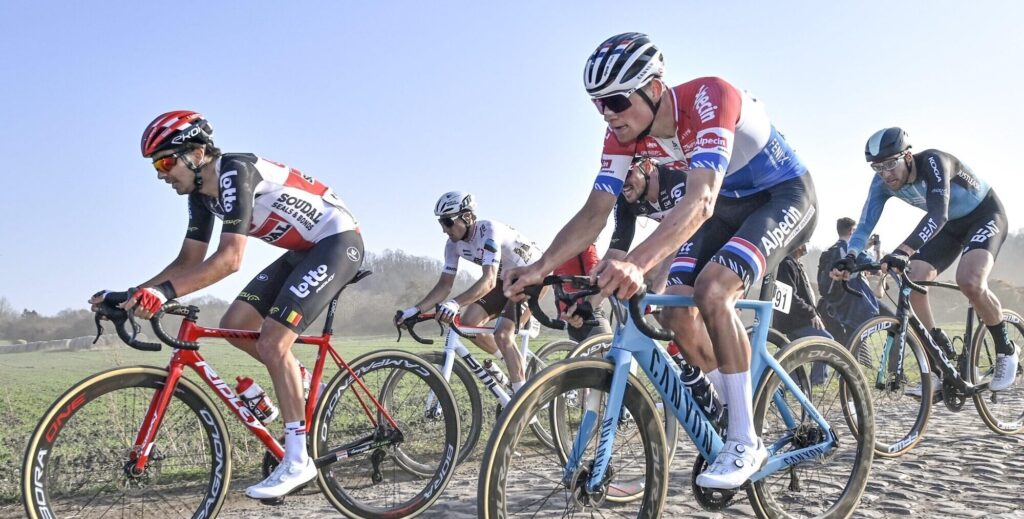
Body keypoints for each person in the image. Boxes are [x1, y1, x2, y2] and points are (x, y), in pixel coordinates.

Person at [505, 33, 817, 489]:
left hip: (782, 194)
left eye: (615, 101)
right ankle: (732, 404)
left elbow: (702, 198)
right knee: (673, 309)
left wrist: (637, 262)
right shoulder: (622, 136)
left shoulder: (710, 97)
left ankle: (746, 441)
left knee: (714, 290)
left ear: (653, 89)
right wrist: (538, 268)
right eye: (598, 105)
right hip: (729, 203)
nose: (608, 115)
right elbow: (595, 212)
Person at [94, 110, 365, 499]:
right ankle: (299, 380)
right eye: (155, 166)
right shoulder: (202, 197)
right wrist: (131, 294)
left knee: (272, 342)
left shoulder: (233, 171)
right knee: (236, 323)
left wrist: (165, 294)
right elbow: (187, 263)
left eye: (165, 161)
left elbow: (230, 260)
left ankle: (297, 461)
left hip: (338, 243)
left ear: (197, 152)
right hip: (302, 252)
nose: (161, 173)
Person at [831, 127, 1017, 391]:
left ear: (907, 156)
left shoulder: (933, 162)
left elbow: (937, 214)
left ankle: (1006, 349)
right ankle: (940, 354)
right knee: (914, 279)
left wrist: (903, 250)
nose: (885, 173)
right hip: (950, 227)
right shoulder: (882, 184)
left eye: (890, 164)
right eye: (877, 167)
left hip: (983, 215)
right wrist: (848, 257)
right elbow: (864, 226)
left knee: (970, 280)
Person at [395, 191, 544, 394]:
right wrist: (415, 309)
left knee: (503, 334)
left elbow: (488, 280)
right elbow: (444, 285)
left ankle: (523, 403)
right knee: (468, 324)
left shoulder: (488, 231)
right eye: (441, 223)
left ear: (466, 216)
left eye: (447, 222)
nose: (444, 229)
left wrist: (455, 304)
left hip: (533, 276)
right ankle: (514, 364)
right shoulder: (452, 246)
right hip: (505, 279)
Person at [608, 156, 688, 293]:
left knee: (668, 287)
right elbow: (616, 252)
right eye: (616, 176)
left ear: (647, 167)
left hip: (716, 229)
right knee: (637, 279)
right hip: (680, 236)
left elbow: (679, 234)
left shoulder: (675, 177)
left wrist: (655, 294)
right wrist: (588, 304)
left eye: (626, 173)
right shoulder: (625, 200)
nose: (621, 183)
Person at [816, 217, 882, 344]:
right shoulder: (852, 252)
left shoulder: (831, 250)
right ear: (852, 231)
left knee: (834, 345)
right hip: (853, 307)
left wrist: (864, 246)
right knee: (855, 346)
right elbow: (878, 270)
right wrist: (877, 252)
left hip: (833, 305)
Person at [774, 243, 832, 384]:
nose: (807, 244)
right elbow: (791, 297)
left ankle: (792, 383)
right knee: (827, 342)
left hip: (794, 321)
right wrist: (811, 313)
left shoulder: (794, 264)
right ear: (797, 244)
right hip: (795, 321)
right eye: (805, 241)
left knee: (795, 354)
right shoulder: (786, 264)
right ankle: (817, 380)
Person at [553, 243, 612, 342]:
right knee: (606, 355)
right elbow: (596, 275)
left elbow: (596, 275)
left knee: (605, 355)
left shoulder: (583, 247)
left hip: (583, 313)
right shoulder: (581, 247)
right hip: (578, 316)